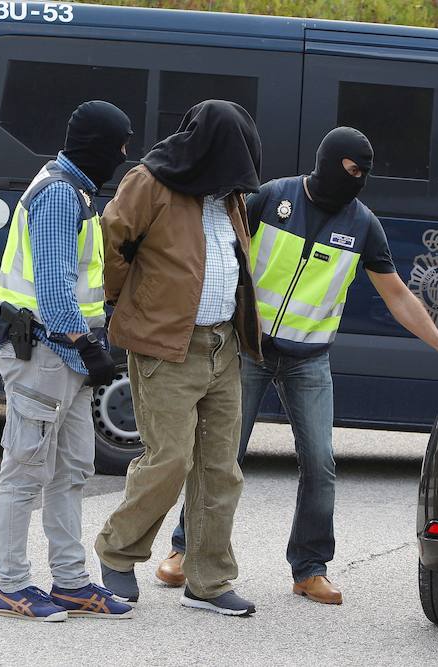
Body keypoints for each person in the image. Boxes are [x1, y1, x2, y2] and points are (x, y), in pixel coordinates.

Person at [156, 126, 438, 606]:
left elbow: (397, 294)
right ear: (329, 161)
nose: (359, 180)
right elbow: (215, 254)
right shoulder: (273, 197)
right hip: (251, 349)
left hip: (310, 358)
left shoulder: (363, 224)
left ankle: (310, 568)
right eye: (353, 170)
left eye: (365, 174)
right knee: (221, 455)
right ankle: (184, 549)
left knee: (320, 464)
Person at [93, 100, 263, 617]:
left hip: (222, 346)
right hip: (167, 345)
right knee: (169, 459)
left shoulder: (228, 194)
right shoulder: (150, 181)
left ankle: (208, 581)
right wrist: (130, 306)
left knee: (220, 469)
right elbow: (112, 243)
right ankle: (118, 554)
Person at [0, 100, 135, 622]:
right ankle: (12, 585)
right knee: (25, 470)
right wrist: (88, 345)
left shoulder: (74, 191)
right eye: (120, 145)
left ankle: (71, 582)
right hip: (45, 350)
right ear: (98, 144)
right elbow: (53, 292)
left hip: (63, 354)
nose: (123, 155)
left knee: (71, 469)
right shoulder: (57, 196)